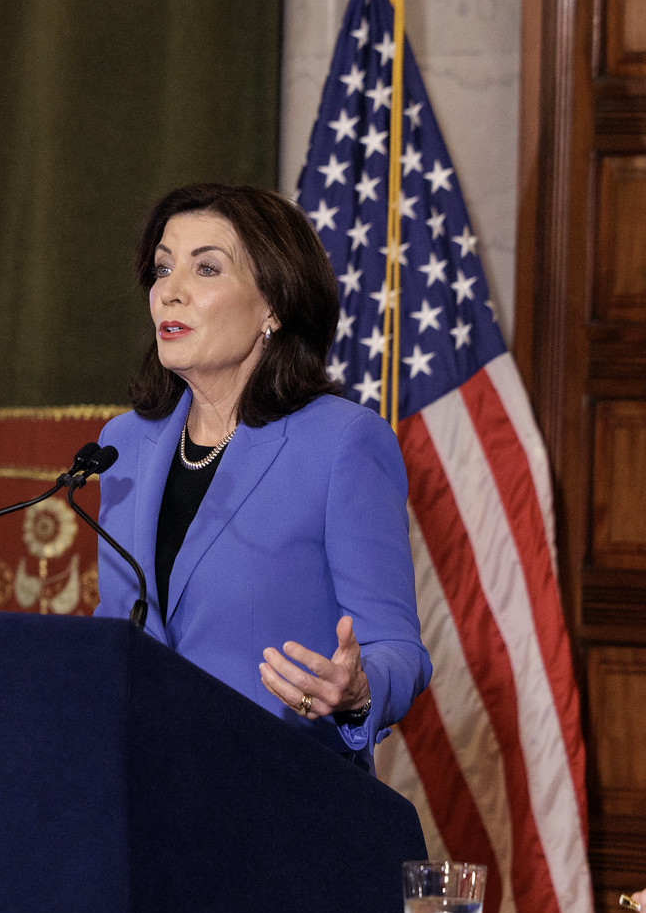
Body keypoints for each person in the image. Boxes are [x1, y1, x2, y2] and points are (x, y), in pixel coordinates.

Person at [92, 182, 431, 770]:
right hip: (146, 792)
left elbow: (398, 649)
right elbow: (118, 629)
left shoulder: (341, 442)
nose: (170, 292)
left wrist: (357, 692)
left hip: (282, 795)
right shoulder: (123, 444)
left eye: (205, 269)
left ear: (272, 304)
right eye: (162, 268)